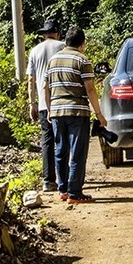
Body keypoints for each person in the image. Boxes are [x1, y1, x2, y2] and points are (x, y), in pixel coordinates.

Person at [44, 26, 105, 204]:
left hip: (56, 111)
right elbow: (90, 88)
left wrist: (49, 110)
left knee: (61, 150)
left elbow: (45, 88)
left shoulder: (53, 60)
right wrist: (99, 113)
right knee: (78, 152)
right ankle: (75, 193)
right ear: (82, 43)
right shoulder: (82, 59)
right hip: (77, 111)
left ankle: (62, 189)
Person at [26, 13, 64, 192]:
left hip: (43, 103)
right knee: (64, 139)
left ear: (44, 34)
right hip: (61, 100)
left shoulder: (34, 51)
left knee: (47, 140)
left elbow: (31, 80)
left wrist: (31, 103)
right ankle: (66, 178)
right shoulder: (63, 47)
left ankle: (48, 180)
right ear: (57, 33)